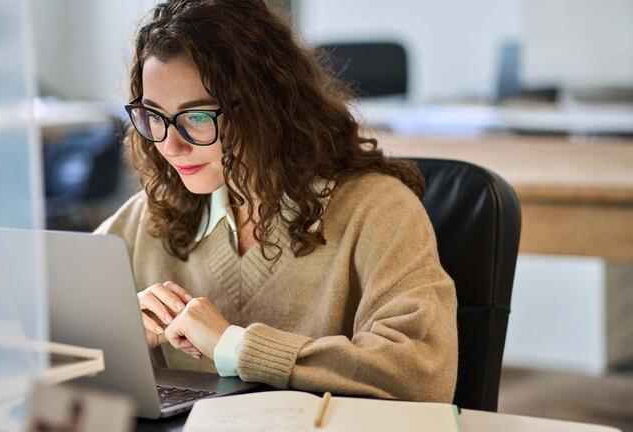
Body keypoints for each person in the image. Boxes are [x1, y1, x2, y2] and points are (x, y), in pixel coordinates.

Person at [95, 0, 458, 402]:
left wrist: (235, 347)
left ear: (266, 106)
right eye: (154, 117)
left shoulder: (378, 209)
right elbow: (39, 335)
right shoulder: (150, 215)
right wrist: (113, 329)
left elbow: (422, 374)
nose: (170, 145)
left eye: (197, 117)